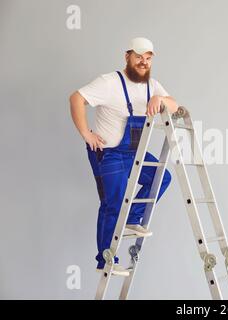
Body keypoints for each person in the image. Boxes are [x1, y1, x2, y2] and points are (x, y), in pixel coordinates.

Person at [69, 37, 179, 275]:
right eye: (139, 57)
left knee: (163, 177)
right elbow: (76, 98)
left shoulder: (152, 85)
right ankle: (106, 259)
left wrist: (160, 99)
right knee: (112, 203)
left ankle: (132, 217)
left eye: (148, 58)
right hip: (109, 154)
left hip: (135, 153)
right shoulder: (109, 82)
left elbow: (175, 105)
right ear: (127, 56)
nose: (143, 62)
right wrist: (86, 133)